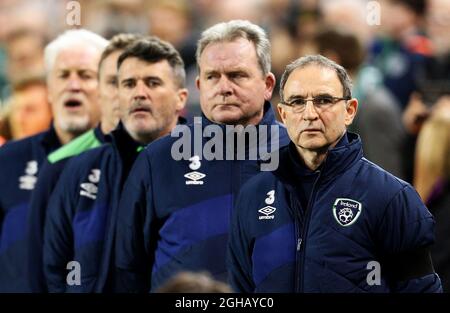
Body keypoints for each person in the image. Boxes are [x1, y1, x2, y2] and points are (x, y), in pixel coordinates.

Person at [228, 55, 442, 293]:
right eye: (297, 102)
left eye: (323, 100)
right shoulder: (253, 194)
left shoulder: (392, 197)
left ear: (350, 110)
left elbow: (421, 289)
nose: (309, 113)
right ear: (283, 114)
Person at [114, 19, 289, 292]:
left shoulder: (301, 153)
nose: (224, 87)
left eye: (237, 75)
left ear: (267, 84)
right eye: (212, 77)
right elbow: (128, 267)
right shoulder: (157, 159)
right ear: (199, 85)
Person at [43, 37, 188, 292]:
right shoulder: (81, 168)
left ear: (181, 98)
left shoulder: (207, 169)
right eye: (128, 84)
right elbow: (57, 264)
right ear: (117, 95)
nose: (139, 93)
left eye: (153, 83)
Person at [25, 33, 140, 293]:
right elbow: (44, 269)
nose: (126, 93)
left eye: (131, 82)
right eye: (113, 82)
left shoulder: (163, 160)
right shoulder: (60, 165)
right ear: (100, 89)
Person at [0, 29, 107, 292]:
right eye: (63, 75)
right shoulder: (8, 160)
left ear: (109, 88)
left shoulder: (127, 163)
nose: (73, 85)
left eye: (85, 75)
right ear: (49, 89)